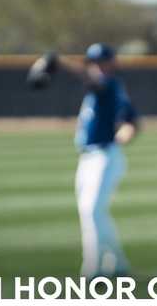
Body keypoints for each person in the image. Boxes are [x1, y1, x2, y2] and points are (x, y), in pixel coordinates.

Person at [60, 43, 139, 279]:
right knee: (93, 213)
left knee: (91, 210)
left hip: (104, 156)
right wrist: (128, 127)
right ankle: (118, 263)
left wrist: (59, 62)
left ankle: (92, 270)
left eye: (101, 61)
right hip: (88, 157)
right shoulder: (108, 89)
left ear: (111, 63)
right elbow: (131, 118)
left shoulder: (109, 84)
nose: (97, 66)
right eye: (93, 62)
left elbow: (131, 121)